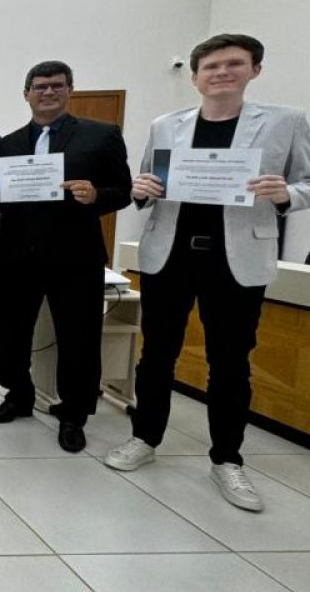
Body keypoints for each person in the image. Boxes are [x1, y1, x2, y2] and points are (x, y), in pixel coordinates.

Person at [102, 34, 310, 511]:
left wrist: (285, 196)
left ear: (254, 70)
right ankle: (145, 438)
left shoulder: (285, 122)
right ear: (195, 77)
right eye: (211, 66)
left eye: (233, 64)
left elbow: (306, 184)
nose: (221, 73)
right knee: (157, 355)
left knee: (231, 362)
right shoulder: (166, 124)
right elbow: (147, 183)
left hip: (236, 258)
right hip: (169, 254)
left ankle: (227, 460)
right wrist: (141, 187)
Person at [0, 61, 131, 453]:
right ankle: (18, 396)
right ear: (26, 94)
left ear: (69, 90)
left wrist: (98, 196)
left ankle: (73, 413)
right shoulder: (2, 147)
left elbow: (123, 191)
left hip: (75, 257)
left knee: (78, 337)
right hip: (15, 257)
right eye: (39, 87)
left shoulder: (101, 136)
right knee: (12, 334)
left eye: (56, 86)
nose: (48, 92)